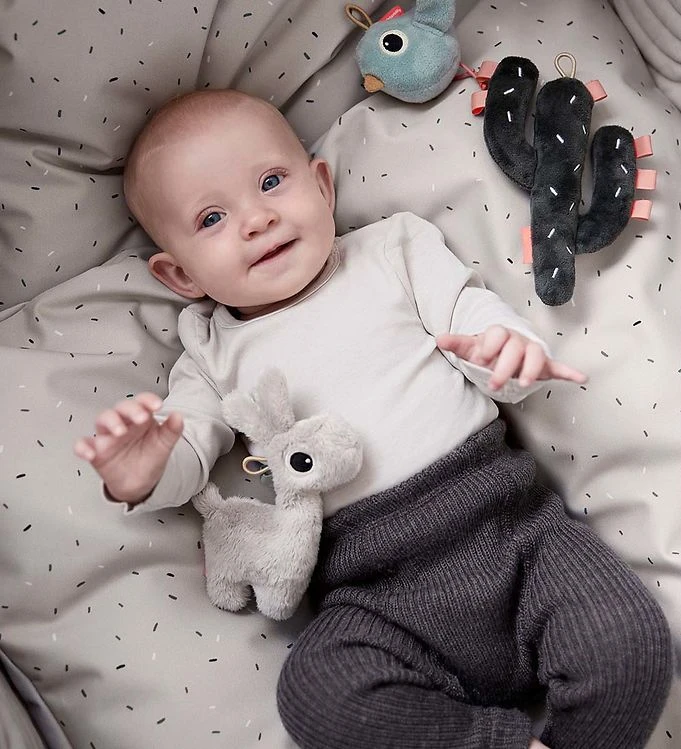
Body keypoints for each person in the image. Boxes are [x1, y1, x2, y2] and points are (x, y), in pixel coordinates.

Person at [74, 89, 672, 749]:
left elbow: (468, 316)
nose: (257, 220)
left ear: (321, 186)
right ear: (180, 275)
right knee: (315, 695)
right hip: (377, 594)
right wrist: (145, 470)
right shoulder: (210, 352)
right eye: (212, 218)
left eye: (271, 183)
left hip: (515, 532)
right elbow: (187, 448)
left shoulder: (393, 249)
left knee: (630, 642)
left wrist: (504, 349)